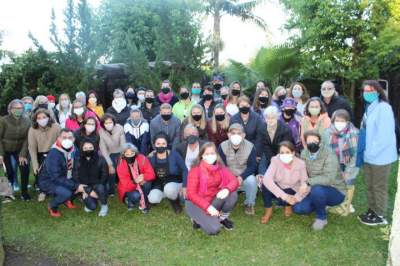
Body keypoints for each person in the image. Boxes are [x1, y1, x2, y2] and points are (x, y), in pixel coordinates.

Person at [357, 80, 397, 226]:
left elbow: (384, 136)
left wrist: (371, 152)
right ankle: (372, 209)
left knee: (378, 186)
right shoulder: (370, 107)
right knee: (369, 184)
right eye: (365, 91)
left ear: (378, 91)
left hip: (380, 156)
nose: (367, 93)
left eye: (371, 90)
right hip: (369, 155)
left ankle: (380, 215)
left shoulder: (384, 108)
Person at [293, 130, 346, 230]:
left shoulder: (329, 154)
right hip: (314, 189)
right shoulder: (304, 153)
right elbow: (303, 171)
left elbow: (329, 179)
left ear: (320, 142)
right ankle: (320, 203)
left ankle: (321, 218)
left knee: (317, 190)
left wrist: (308, 182)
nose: (312, 143)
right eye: (309, 141)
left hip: (335, 190)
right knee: (298, 208)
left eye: (315, 140)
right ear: (305, 143)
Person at [186, 142, 239, 235]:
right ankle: (196, 219)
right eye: (207, 154)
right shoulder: (195, 169)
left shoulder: (220, 167)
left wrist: (227, 189)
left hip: (213, 200)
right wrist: (208, 207)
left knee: (232, 194)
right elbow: (191, 194)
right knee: (214, 230)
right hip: (196, 203)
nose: (210, 156)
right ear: (202, 155)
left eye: (212, 153)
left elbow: (234, 181)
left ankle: (222, 218)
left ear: (216, 155)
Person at [260, 141, 309, 224]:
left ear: (293, 153)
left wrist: (296, 198)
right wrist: (285, 197)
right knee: (265, 184)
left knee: (293, 190)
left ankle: (288, 205)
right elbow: (267, 179)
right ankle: (268, 210)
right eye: (282, 153)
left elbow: (305, 183)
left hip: (292, 189)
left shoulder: (301, 164)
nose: (284, 155)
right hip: (279, 190)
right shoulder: (275, 160)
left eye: (287, 152)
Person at [38, 129, 82, 217]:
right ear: (58, 138)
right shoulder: (54, 153)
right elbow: (55, 177)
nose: (67, 140)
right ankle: (52, 206)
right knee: (67, 192)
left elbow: (76, 167)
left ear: (74, 139)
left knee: (80, 183)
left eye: (70, 138)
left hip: (65, 176)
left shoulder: (74, 149)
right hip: (49, 181)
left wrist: (78, 182)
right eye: (64, 137)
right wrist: (76, 185)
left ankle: (67, 200)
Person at [325, 109, 359, 216]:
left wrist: (347, 172)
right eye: (337, 120)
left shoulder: (354, 133)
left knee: (348, 182)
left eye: (342, 121)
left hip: (349, 163)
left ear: (348, 121)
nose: (339, 123)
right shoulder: (327, 132)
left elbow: (354, 156)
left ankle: (346, 205)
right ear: (333, 121)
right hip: (334, 163)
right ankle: (335, 202)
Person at [218, 124, 258, 215]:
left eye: (239, 133)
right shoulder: (222, 146)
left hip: (243, 176)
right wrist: (231, 178)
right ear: (228, 135)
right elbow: (221, 166)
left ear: (243, 135)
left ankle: (249, 204)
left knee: (252, 180)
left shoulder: (250, 146)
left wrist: (241, 177)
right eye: (233, 133)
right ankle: (227, 202)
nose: (236, 136)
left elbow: (252, 166)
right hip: (228, 176)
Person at [148, 133, 188, 213]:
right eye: (158, 144)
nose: (161, 146)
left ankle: (175, 202)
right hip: (159, 183)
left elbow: (184, 170)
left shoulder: (174, 155)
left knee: (169, 189)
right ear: (154, 144)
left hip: (174, 181)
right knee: (153, 199)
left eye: (163, 143)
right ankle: (168, 195)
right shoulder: (151, 157)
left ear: (167, 144)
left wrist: (184, 186)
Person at [0, 99, 31, 200]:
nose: (19, 110)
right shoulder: (3, 120)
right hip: (6, 149)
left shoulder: (27, 121)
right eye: (16, 108)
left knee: (25, 168)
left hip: (20, 149)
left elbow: (27, 139)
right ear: (10, 109)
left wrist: (23, 154)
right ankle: (8, 193)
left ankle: (24, 192)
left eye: (21, 108)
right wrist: (1, 154)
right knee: (9, 172)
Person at [28, 109, 61, 201]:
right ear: (36, 119)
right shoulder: (32, 129)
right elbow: (32, 147)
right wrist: (35, 164)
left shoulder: (56, 127)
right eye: (39, 118)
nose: (41, 119)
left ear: (48, 117)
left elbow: (60, 141)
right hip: (40, 153)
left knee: (55, 172)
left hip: (54, 152)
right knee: (40, 173)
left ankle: (56, 190)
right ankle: (42, 191)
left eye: (44, 117)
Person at [73, 140, 109, 216]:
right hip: (85, 187)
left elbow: (104, 175)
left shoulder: (101, 159)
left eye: (90, 147)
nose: (88, 150)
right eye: (85, 148)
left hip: (98, 185)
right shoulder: (78, 160)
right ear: (81, 149)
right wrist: (85, 191)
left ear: (94, 148)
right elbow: (75, 177)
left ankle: (104, 205)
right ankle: (95, 199)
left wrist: (97, 190)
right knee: (91, 207)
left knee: (100, 188)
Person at [116, 143, 155, 213]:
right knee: (136, 195)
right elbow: (126, 186)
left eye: (132, 153)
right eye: (127, 154)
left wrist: (144, 176)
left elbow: (152, 174)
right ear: (123, 155)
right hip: (127, 188)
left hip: (141, 182)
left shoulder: (142, 158)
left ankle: (144, 201)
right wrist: (135, 181)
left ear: (136, 153)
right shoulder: (120, 165)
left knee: (147, 184)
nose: (130, 156)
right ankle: (129, 200)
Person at [258, 106, 293, 175]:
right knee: (262, 159)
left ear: (277, 117)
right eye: (268, 118)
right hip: (268, 152)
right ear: (265, 118)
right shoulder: (262, 128)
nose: (270, 120)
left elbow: (286, 146)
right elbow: (264, 145)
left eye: (273, 118)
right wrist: (271, 158)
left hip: (282, 153)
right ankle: (262, 178)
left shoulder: (286, 129)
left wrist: (276, 159)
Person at [99, 114, 126, 195]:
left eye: (110, 122)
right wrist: (110, 165)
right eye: (106, 123)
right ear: (103, 124)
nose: (108, 124)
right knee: (111, 170)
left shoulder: (120, 128)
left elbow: (123, 144)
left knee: (123, 168)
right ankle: (111, 190)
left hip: (120, 152)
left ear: (113, 122)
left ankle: (124, 186)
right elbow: (103, 149)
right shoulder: (100, 131)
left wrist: (122, 157)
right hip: (109, 153)